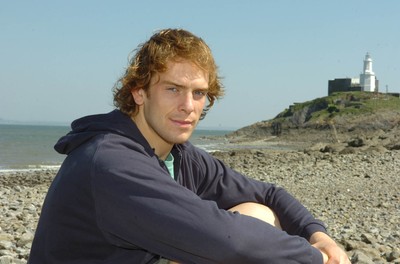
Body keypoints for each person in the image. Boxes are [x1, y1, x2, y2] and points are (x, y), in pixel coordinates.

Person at [28, 28, 350, 264]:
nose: (189, 106)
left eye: (198, 93)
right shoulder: (110, 162)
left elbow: (269, 194)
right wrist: (314, 257)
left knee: (257, 212)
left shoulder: (178, 154)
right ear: (139, 93)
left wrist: (318, 235)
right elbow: (230, 242)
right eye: (173, 89)